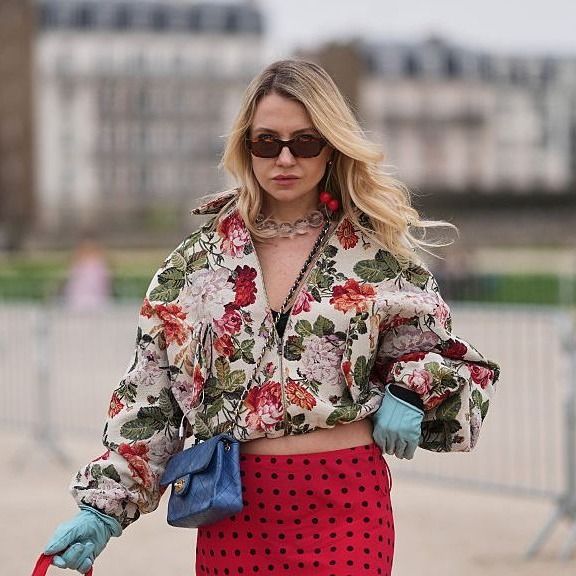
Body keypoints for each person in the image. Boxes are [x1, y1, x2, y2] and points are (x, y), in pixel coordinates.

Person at [43, 59, 499, 576]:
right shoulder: (195, 263)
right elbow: (151, 394)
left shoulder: (376, 255)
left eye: (304, 142)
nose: (285, 158)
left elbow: (447, 357)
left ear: (330, 147)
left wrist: (411, 389)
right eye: (267, 142)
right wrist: (101, 510)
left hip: (346, 502)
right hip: (234, 507)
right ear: (245, 147)